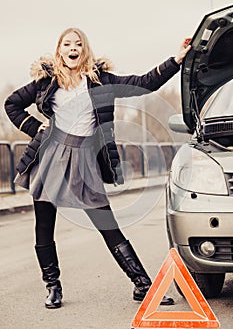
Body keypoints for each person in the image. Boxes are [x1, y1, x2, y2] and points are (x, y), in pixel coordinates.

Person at [4, 27, 191, 309]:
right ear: (59, 50)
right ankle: (52, 286)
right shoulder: (46, 81)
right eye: (67, 44)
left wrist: (176, 60)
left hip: (84, 159)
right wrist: (32, 127)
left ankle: (142, 285)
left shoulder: (100, 81)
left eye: (78, 43)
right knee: (44, 224)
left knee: (107, 223)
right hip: (50, 155)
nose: (72, 47)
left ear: (84, 49)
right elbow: (12, 103)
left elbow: (144, 83)